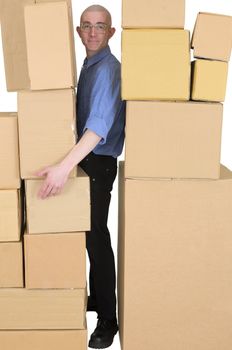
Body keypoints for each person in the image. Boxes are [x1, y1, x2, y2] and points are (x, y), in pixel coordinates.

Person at [36, 4, 125, 349]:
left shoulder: (107, 71)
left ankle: (108, 319)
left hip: (98, 163)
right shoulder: (89, 65)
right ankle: (94, 299)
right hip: (87, 160)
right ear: (77, 32)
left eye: (100, 27)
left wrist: (63, 167)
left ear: (111, 33)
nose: (92, 33)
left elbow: (97, 127)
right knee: (88, 233)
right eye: (86, 26)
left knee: (96, 238)